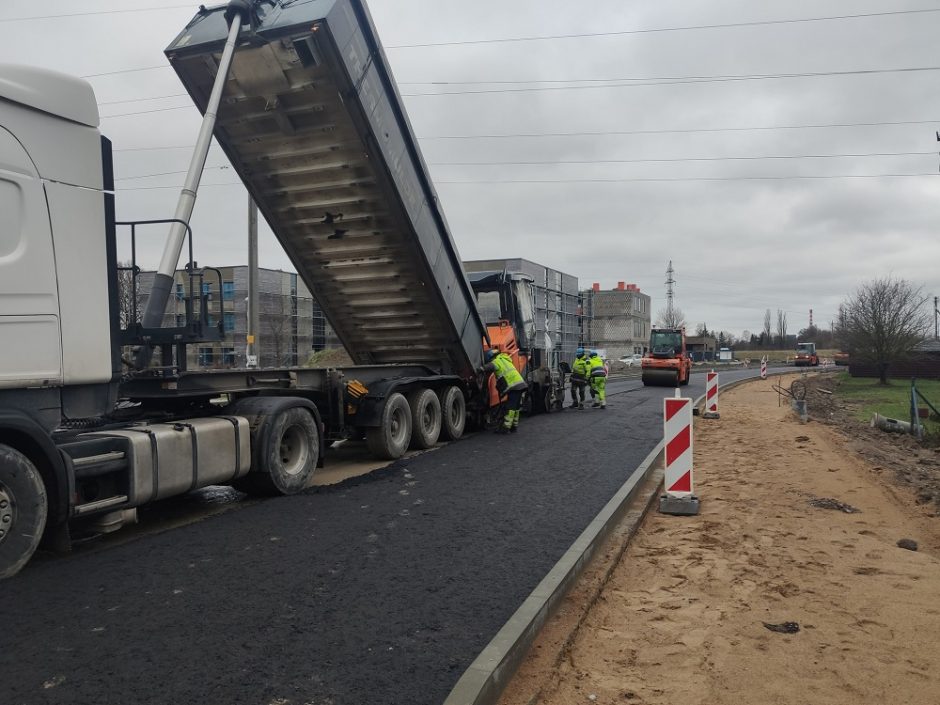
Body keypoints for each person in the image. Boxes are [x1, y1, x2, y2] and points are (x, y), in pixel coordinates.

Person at [481, 348, 527, 433]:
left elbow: (490, 366)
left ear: (490, 357)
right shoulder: (505, 360)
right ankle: (514, 426)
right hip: (520, 384)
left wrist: (481, 369)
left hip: (514, 386)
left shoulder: (496, 361)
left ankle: (506, 427)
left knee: (510, 407)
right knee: (516, 407)